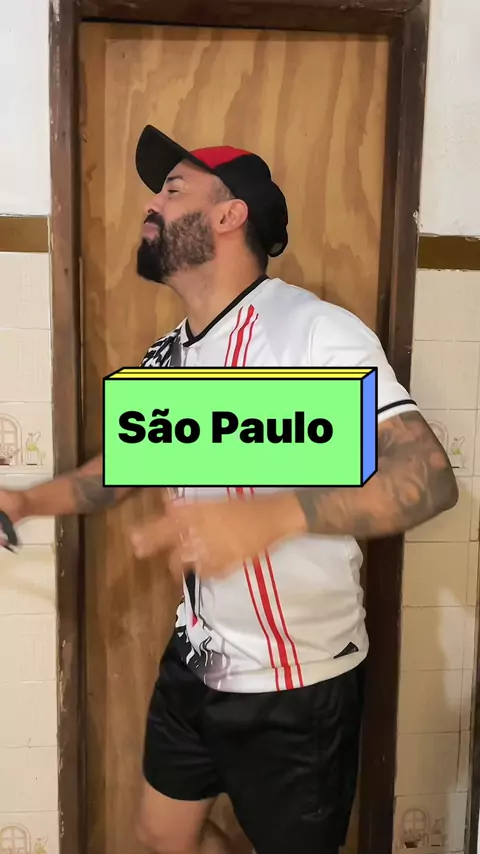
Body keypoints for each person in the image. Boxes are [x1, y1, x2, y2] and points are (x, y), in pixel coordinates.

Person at [0, 124, 458, 854]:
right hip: (195, 658)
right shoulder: (170, 355)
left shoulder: (316, 334)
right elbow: (124, 466)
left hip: (296, 686)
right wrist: (26, 502)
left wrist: (275, 514)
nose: (151, 205)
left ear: (229, 214)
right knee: (160, 838)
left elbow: (427, 477)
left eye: (172, 189)